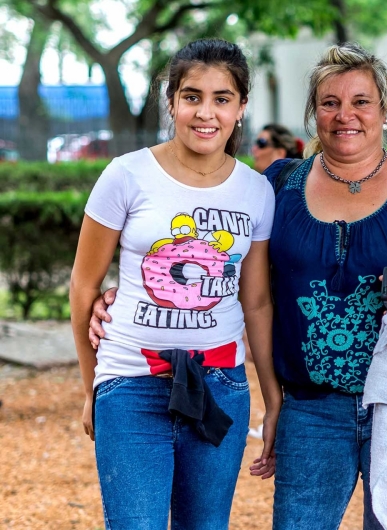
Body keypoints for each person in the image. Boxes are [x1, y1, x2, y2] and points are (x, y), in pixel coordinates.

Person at [91, 42, 387, 529]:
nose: (345, 115)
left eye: (361, 102)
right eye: (330, 102)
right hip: (310, 408)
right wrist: (124, 292)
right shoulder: (277, 186)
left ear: (384, 111)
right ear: (313, 114)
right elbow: (227, 266)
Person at [71, 38, 283, 529]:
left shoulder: (255, 190)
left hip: (221, 385)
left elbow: (256, 302)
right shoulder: (125, 175)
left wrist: (272, 400)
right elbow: (84, 287)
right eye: (192, 96)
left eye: (221, 98)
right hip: (130, 384)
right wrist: (91, 389)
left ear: (241, 107)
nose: (205, 112)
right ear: (172, 102)